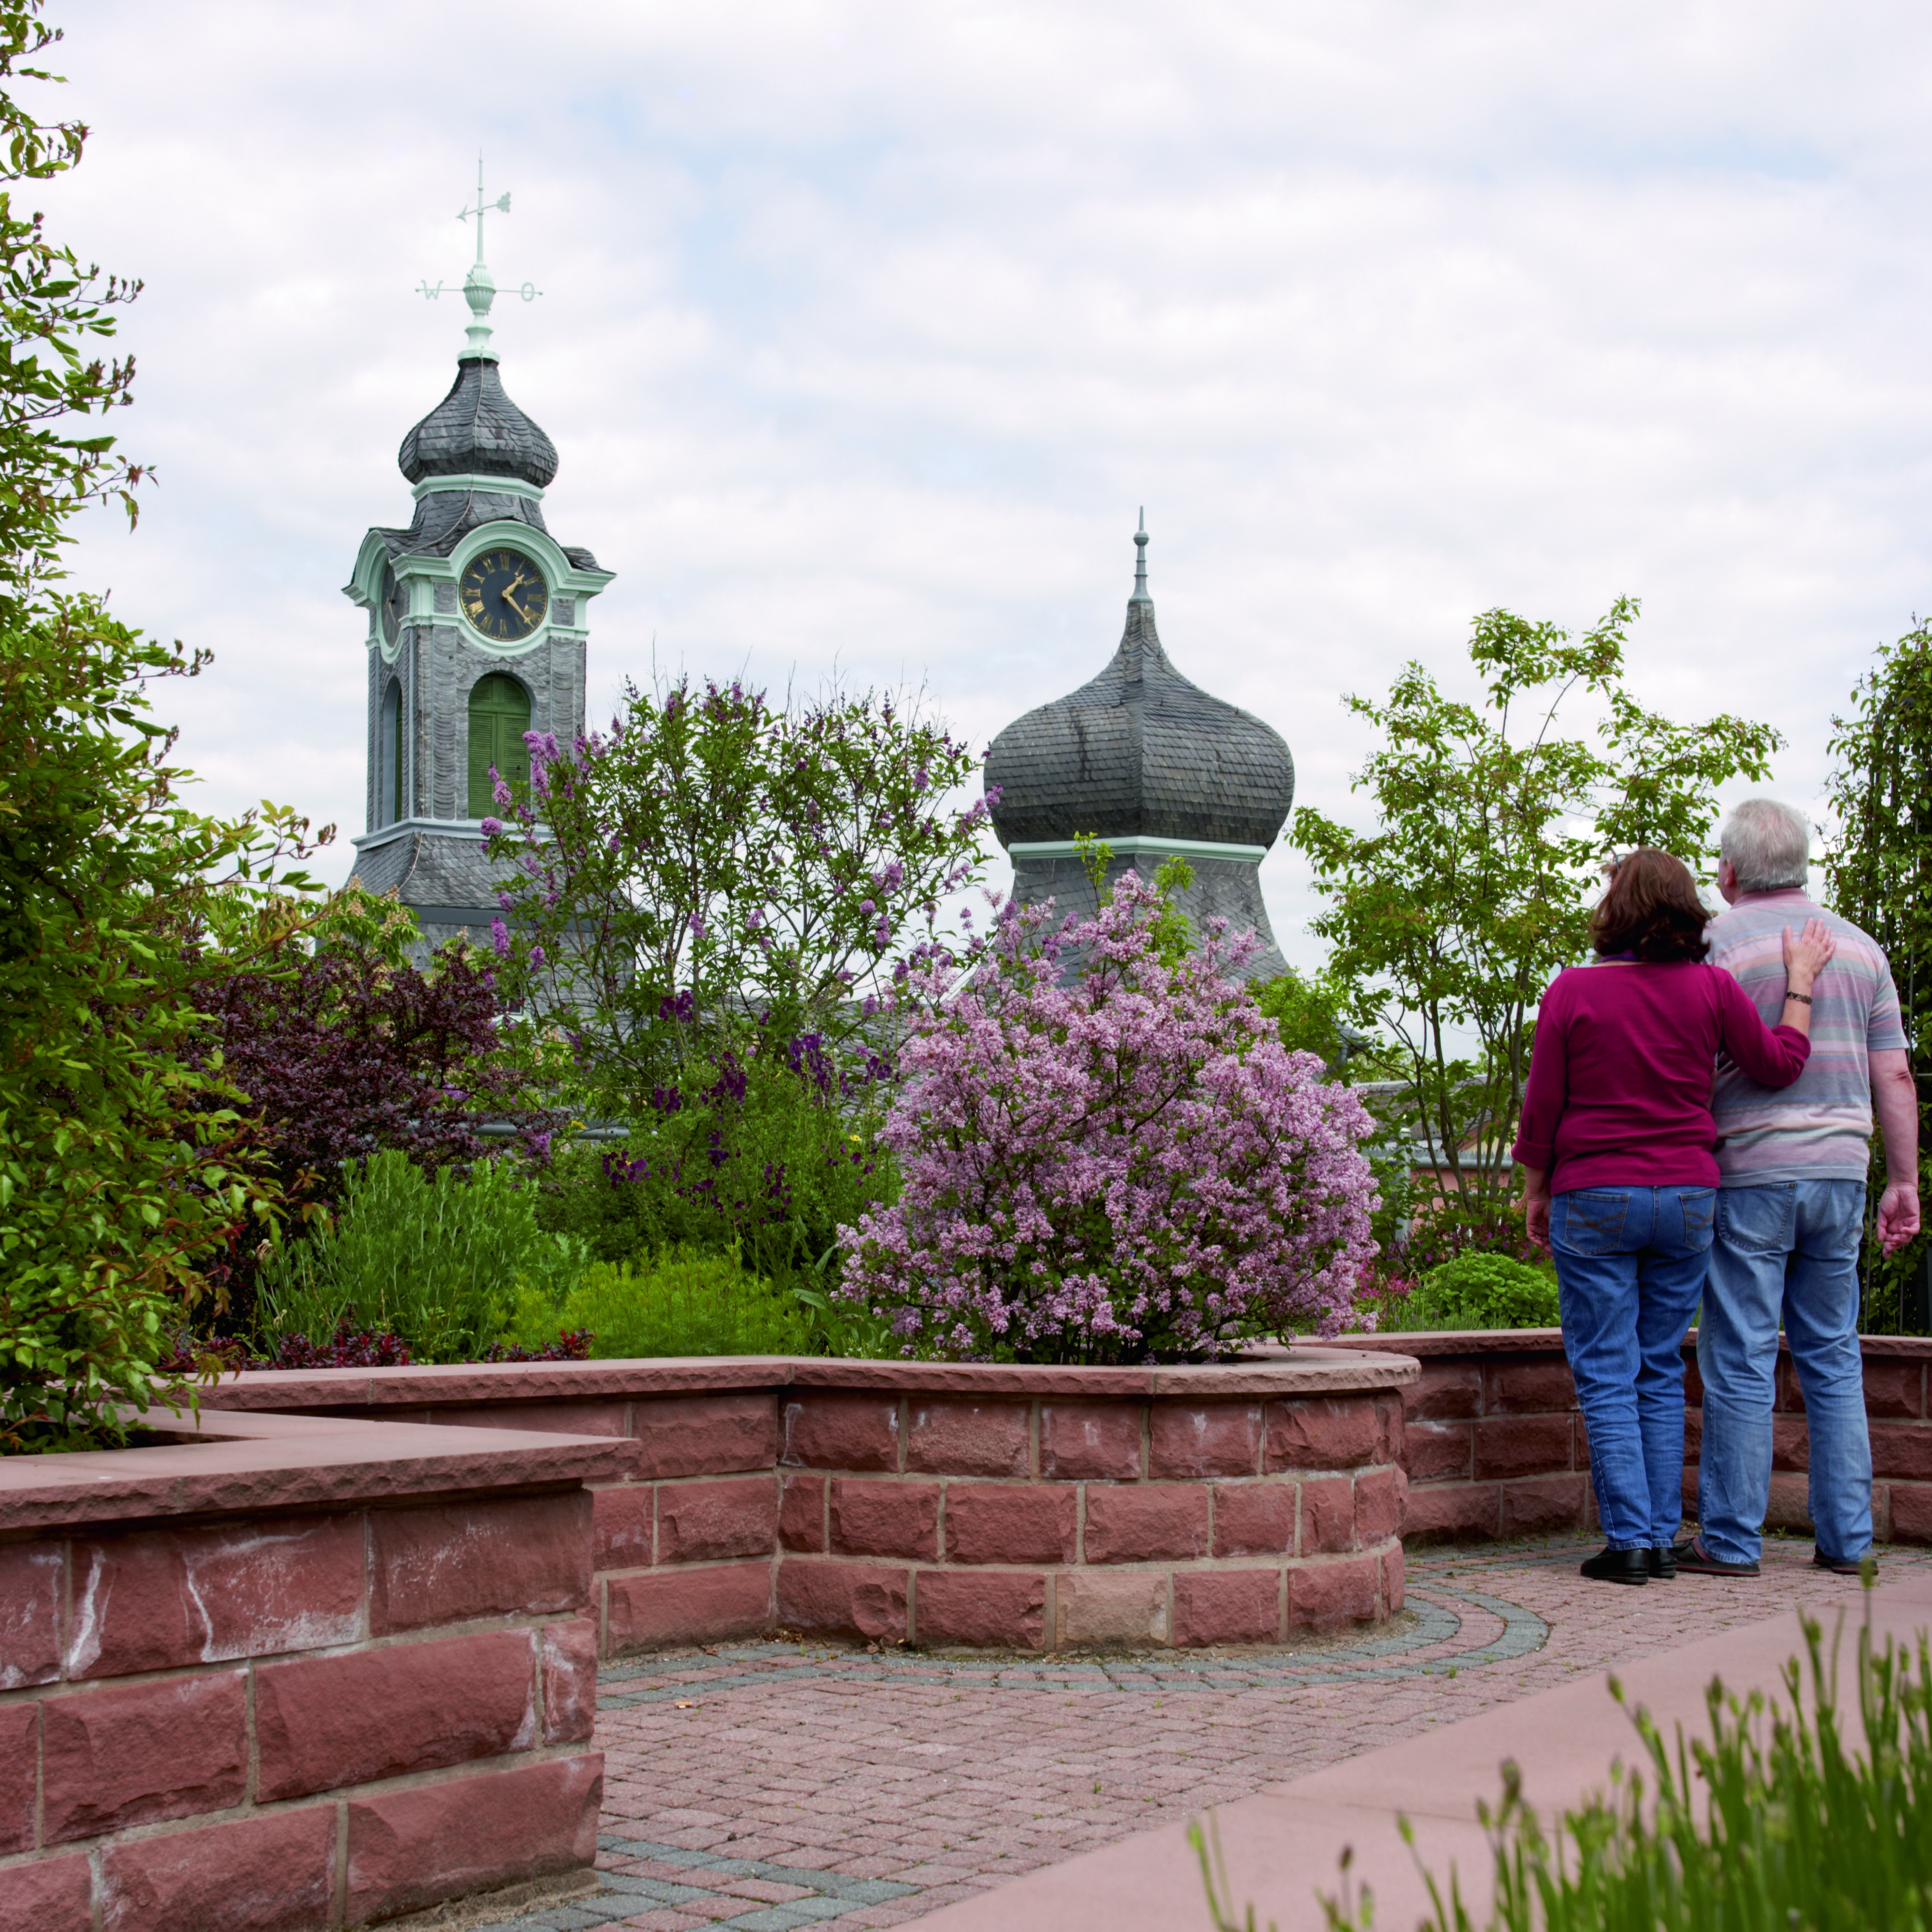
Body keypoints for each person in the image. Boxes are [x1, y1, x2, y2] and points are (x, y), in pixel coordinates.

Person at [1513, 848, 1833, 1585]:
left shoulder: (1571, 992)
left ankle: (1627, 1540)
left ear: (1614, 909)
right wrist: (1801, 985)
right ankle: (1657, 1537)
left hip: (1594, 1194)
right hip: (1688, 1196)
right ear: (1686, 908)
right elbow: (1781, 1062)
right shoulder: (1712, 989)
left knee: (1604, 1367)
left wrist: (1536, 1189)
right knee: (1659, 1365)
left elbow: (1541, 1109)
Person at [1681, 798, 1920, 1579]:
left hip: (1749, 1172)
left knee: (1743, 1355)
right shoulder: (1861, 949)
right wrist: (1904, 1179)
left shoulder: (1709, 947)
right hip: (1841, 1174)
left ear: (1728, 873)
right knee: (1832, 1354)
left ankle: (1732, 1539)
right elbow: (1894, 1071)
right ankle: (1848, 1542)